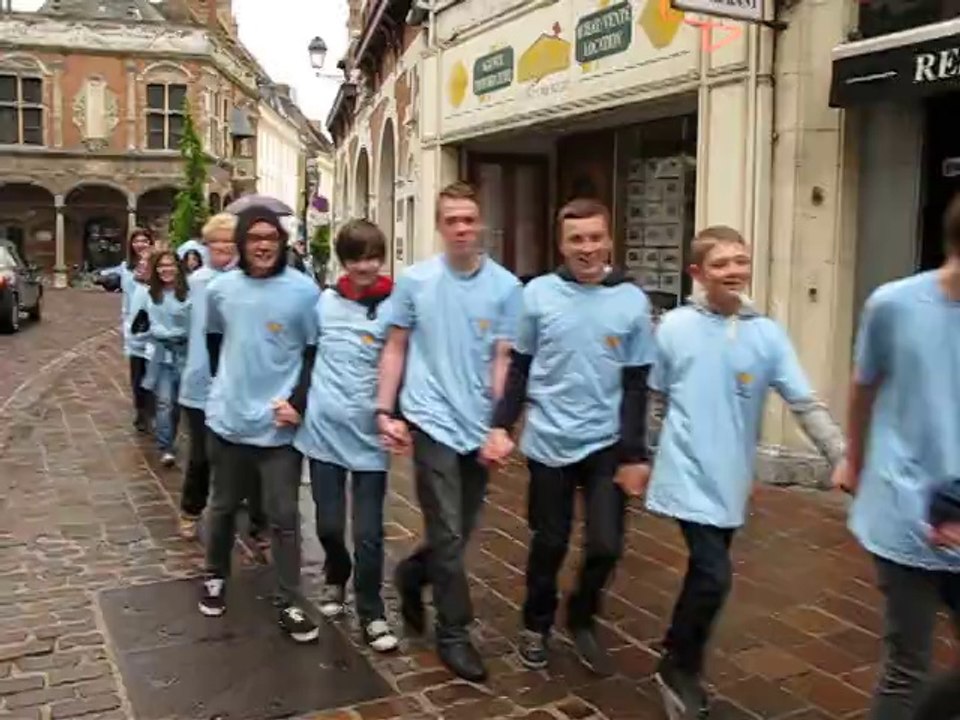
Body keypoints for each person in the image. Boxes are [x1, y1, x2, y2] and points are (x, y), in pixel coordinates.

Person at [644, 226, 845, 718]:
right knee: (714, 576)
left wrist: (840, 454)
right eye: (720, 263)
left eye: (740, 261)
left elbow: (803, 401)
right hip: (685, 470)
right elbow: (654, 398)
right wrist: (644, 457)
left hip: (731, 475)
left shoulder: (767, 334)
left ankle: (680, 653)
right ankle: (677, 665)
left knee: (705, 575)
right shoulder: (674, 328)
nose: (733, 271)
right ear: (697, 273)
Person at [481, 198, 655, 676]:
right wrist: (501, 425)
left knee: (606, 545)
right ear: (562, 244)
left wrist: (635, 454)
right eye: (576, 239)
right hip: (550, 442)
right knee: (550, 542)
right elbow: (520, 366)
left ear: (610, 240)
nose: (587, 248)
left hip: (607, 443)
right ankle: (536, 623)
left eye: (595, 237)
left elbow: (637, 383)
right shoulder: (538, 295)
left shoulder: (632, 301)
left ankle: (581, 616)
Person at [376, 181, 522, 681]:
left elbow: (503, 359)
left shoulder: (506, 288)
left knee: (460, 529)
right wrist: (386, 409)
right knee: (448, 529)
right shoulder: (415, 282)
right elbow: (396, 346)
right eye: (452, 220)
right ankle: (454, 632)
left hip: (476, 424)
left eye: (469, 219)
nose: (461, 228)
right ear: (439, 226)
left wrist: (499, 425)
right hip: (430, 417)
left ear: (480, 223)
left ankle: (411, 573)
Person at [835, 193, 960, 720]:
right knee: (908, 664)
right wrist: (855, 460)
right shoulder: (894, 305)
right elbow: (864, 388)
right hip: (903, 507)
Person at [197, 204, 321, 644]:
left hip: (278, 426)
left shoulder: (304, 292)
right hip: (229, 420)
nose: (263, 245)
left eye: (271, 237)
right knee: (223, 506)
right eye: (254, 238)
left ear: (282, 243)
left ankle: (289, 599)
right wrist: (227, 386)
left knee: (284, 516)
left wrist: (297, 402)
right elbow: (215, 339)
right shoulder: (221, 289)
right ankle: (215, 575)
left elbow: (314, 350)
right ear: (242, 244)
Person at [294, 219, 398, 653]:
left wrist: (397, 414)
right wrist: (297, 403)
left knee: (369, 532)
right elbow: (307, 356)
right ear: (343, 260)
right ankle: (336, 575)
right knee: (330, 524)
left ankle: (372, 610)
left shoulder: (395, 306)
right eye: (356, 258)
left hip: (370, 435)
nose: (365, 267)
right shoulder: (324, 303)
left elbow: (401, 364)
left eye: (373, 257)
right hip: (323, 431)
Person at [177, 214, 249, 540]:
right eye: (215, 244)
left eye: (228, 244)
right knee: (202, 455)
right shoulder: (196, 282)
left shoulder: (245, 283)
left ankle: (239, 508)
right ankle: (191, 509)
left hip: (237, 381)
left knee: (239, 452)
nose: (222, 250)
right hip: (199, 379)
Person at [134, 249, 191, 468]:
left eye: (170, 265)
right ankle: (165, 446)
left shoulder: (189, 294)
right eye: (161, 266)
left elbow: (193, 324)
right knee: (164, 401)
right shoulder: (150, 295)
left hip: (185, 354)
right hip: (161, 354)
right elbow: (145, 325)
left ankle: (172, 438)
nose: (166, 270)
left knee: (177, 404)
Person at [103, 227, 155, 431]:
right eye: (136, 241)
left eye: (144, 241)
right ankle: (141, 411)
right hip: (133, 321)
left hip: (154, 321)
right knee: (137, 371)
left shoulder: (157, 265)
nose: (140, 244)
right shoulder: (126, 267)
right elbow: (123, 292)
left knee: (153, 370)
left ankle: (152, 408)